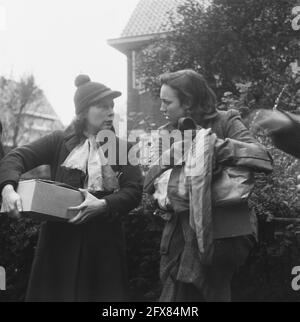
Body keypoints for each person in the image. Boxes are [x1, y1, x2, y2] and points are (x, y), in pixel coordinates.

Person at [0, 75, 143, 302]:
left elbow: (135, 191)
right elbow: (15, 158)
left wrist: (104, 204)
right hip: (58, 248)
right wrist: (8, 189)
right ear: (84, 111)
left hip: (103, 250)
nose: (110, 112)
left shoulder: (122, 148)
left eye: (112, 106)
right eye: (102, 106)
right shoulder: (58, 141)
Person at [144, 70, 273, 302]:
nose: (162, 108)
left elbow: (261, 156)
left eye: (167, 102)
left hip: (222, 233)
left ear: (189, 102)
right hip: (179, 236)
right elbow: (154, 186)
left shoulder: (226, 121)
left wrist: (212, 147)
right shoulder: (166, 133)